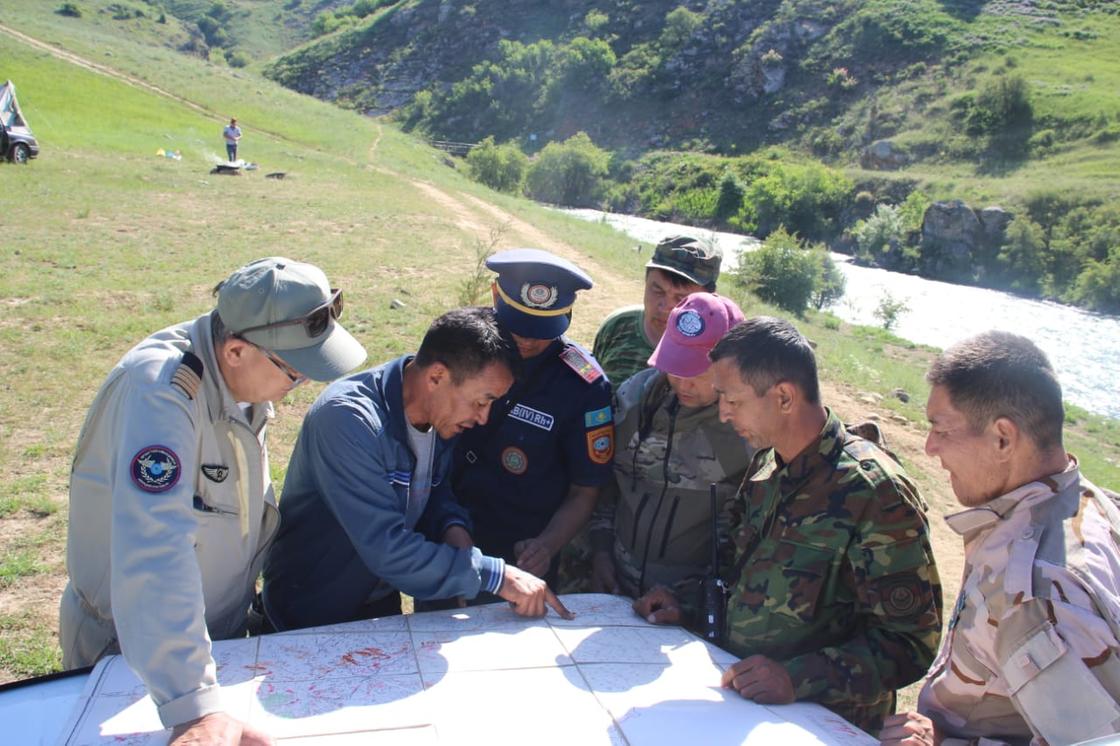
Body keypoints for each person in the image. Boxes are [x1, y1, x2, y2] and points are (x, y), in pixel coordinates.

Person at [60, 257, 367, 746]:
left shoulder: (240, 376)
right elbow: (154, 550)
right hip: (137, 656)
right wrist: (194, 706)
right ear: (237, 351)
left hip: (209, 644)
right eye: (294, 372)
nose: (300, 385)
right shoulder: (160, 395)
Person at [635, 316, 943, 734]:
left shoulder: (873, 492)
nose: (723, 414)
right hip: (741, 707)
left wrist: (795, 677)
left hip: (822, 723)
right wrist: (685, 603)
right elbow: (735, 572)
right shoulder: (767, 463)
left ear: (783, 397)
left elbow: (909, 643)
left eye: (733, 401)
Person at [262, 307, 572, 632]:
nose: (483, 417)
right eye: (481, 401)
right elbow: (387, 546)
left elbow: (430, 489)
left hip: (376, 606)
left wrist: (453, 528)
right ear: (436, 376)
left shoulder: (437, 411)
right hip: (309, 616)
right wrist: (496, 575)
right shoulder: (347, 421)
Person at [880, 332, 1120, 746]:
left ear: (1003, 438)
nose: (929, 446)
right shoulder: (1080, 499)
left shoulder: (1037, 594)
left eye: (941, 429)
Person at [452, 249, 613, 586]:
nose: (527, 339)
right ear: (496, 296)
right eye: (518, 325)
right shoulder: (461, 346)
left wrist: (546, 546)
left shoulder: (583, 386)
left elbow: (585, 491)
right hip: (447, 532)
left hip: (521, 555)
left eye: (542, 330)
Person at [588, 292, 754, 619]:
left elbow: (746, 539)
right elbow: (606, 482)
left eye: (697, 373)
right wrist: (600, 551)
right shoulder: (635, 398)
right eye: (675, 367)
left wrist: (692, 601)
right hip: (614, 588)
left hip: (688, 607)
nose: (682, 382)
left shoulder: (748, 431)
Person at [592, 235, 721, 393]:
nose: (665, 307)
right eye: (657, 291)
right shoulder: (618, 326)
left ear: (710, 297)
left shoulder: (717, 352)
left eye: (682, 298)